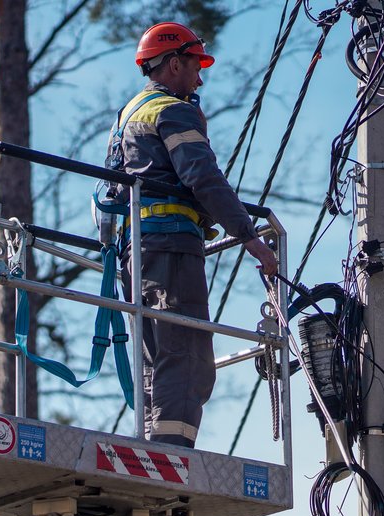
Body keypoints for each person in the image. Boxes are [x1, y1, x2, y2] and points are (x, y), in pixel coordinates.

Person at [104, 21, 277, 448]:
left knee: (157, 356)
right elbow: (202, 176)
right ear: (175, 62)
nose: (201, 77)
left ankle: (154, 447)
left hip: (136, 254)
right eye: (197, 65)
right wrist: (248, 236)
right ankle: (172, 456)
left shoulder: (128, 115)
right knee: (188, 355)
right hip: (171, 249)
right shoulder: (171, 109)